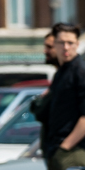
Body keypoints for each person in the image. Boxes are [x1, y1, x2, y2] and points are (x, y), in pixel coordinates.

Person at [45, 23, 85, 170]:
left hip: (74, 151)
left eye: (71, 43)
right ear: (54, 44)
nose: (66, 47)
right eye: (61, 42)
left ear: (78, 44)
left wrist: (65, 147)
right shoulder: (62, 71)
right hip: (59, 149)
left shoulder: (81, 71)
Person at [29, 28, 60, 156]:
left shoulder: (72, 75)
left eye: (49, 47)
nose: (45, 51)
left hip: (60, 150)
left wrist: (65, 146)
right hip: (53, 149)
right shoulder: (60, 76)